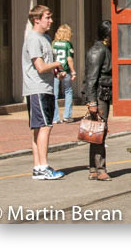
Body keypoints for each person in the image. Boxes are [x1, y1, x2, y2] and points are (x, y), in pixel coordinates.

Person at [22, 4, 65, 180]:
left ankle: (38, 166)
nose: (51, 21)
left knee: (39, 128)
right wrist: (57, 64)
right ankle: (43, 166)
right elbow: (40, 67)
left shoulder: (45, 38)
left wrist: (57, 72)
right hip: (37, 88)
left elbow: (47, 63)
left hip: (46, 88)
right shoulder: (33, 39)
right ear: (36, 19)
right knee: (45, 126)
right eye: (47, 17)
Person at [84, 20, 113, 181]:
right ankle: (100, 168)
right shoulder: (98, 51)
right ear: (107, 36)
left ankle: (94, 168)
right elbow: (91, 79)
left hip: (104, 94)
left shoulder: (104, 49)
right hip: (100, 95)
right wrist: (92, 101)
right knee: (99, 132)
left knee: (96, 132)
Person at [52, 24, 77, 124]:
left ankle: (55, 117)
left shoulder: (54, 43)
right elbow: (69, 58)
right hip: (65, 70)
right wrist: (73, 71)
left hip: (55, 70)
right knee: (68, 91)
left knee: (54, 94)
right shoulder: (68, 44)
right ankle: (67, 115)